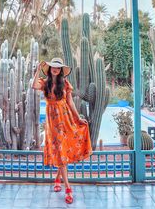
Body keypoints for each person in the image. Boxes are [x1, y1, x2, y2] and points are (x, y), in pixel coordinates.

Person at [32, 58, 92, 204]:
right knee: (60, 151)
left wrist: (78, 118)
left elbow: (70, 102)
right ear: (50, 69)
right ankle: (64, 185)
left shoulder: (64, 84)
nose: (56, 69)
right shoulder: (45, 83)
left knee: (62, 151)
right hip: (52, 121)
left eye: (58, 68)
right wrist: (37, 70)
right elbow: (34, 85)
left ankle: (63, 184)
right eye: (53, 67)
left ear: (60, 71)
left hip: (65, 118)